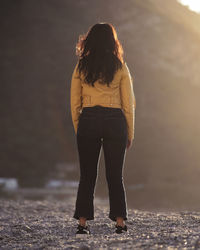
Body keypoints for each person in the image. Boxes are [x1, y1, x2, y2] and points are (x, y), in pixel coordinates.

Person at [70, 22, 136, 236]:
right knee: (115, 175)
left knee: (87, 175)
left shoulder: (81, 66)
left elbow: (74, 101)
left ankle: (82, 223)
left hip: (88, 119)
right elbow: (129, 103)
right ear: (112, 41)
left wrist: (79, 126)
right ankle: (119, 223)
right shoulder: (120, 66)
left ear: (90, 40)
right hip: (115, 120)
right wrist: (130, 132)